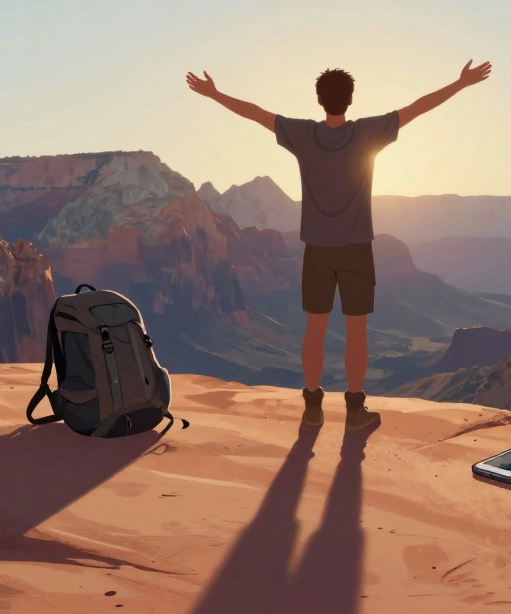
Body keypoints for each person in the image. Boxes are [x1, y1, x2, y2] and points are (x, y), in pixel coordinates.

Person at [186, 60, 493, 430]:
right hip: (356, 248)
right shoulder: (367, 132)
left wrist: (215, 94)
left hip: (317, 249)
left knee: (314, 329)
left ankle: (312, 408)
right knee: (356, 332)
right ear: (350, 99)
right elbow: (418, 108)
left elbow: (255, 113)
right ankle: (354, 411)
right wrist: (460, 83)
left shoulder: (303, 134)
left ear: (320, 100)